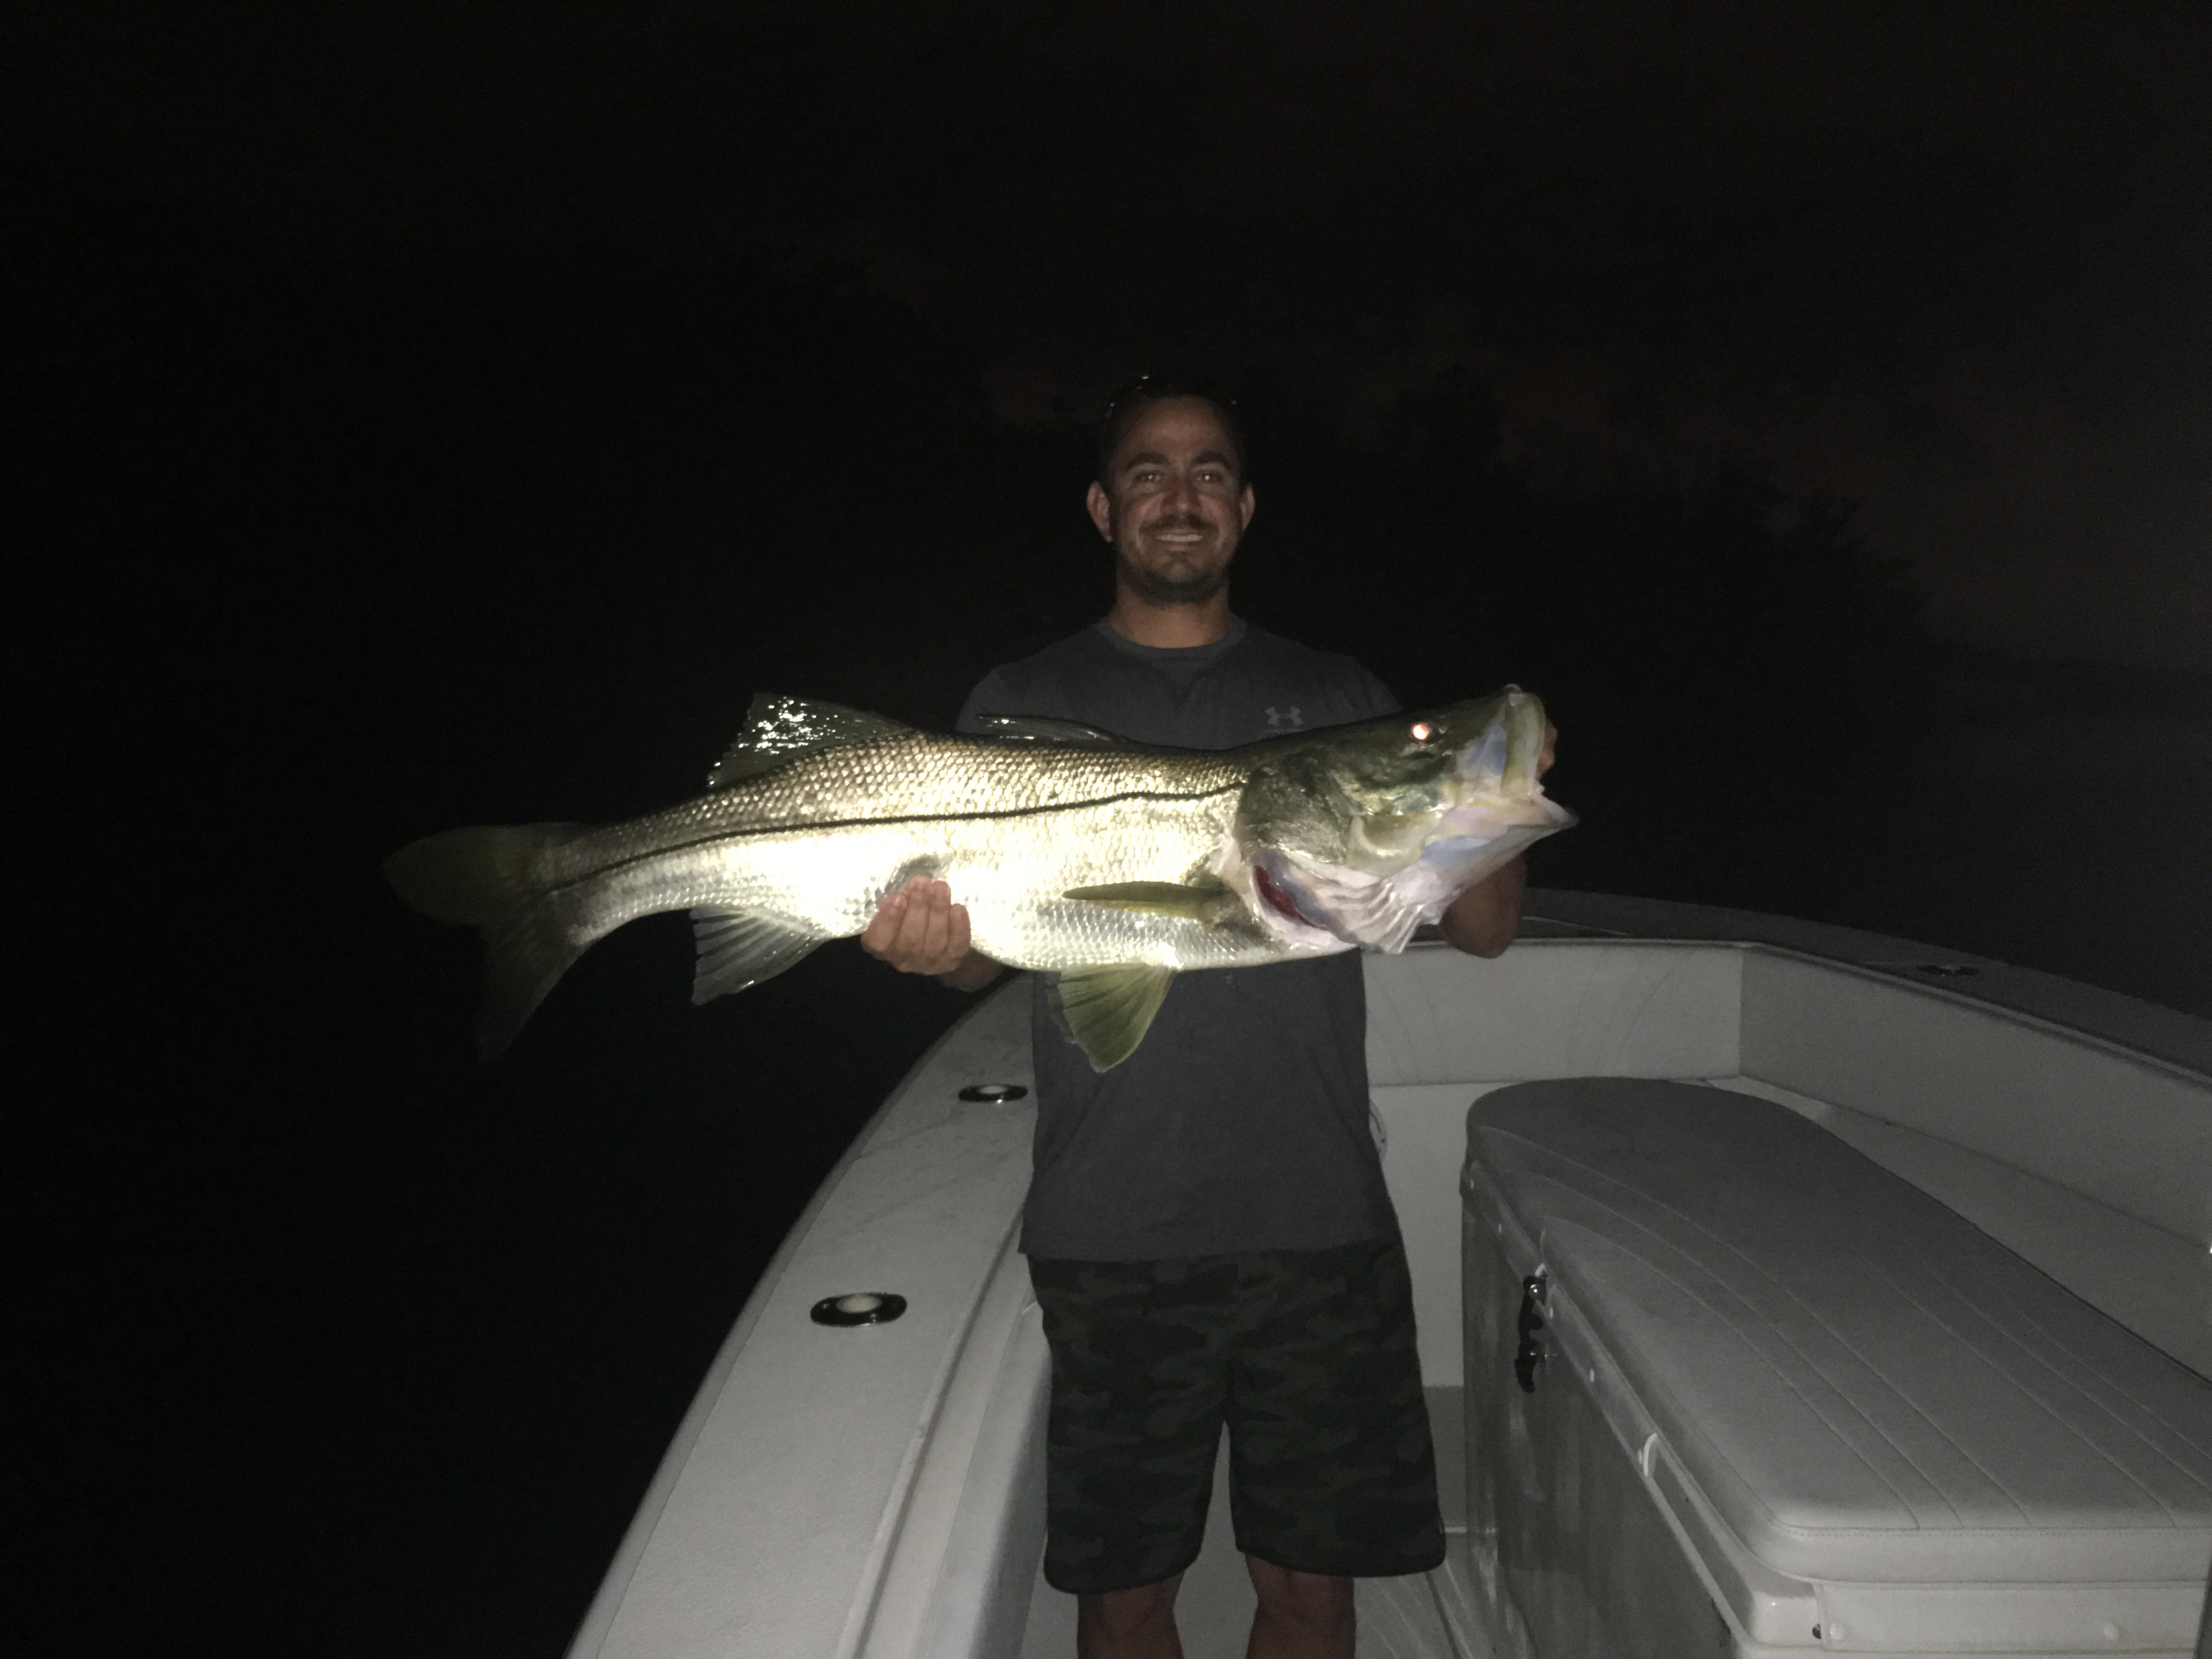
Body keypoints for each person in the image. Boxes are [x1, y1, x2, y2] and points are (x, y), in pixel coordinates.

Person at [861, 380, 1548, 1659]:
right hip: (1112, 1221)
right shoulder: (1022, 694)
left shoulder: (1333, 689)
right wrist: (931, 950)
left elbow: (1487, 925)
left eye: (1211, 472)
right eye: (1149, 472)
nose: (1181, 496)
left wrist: (1482, 794)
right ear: (1102, 507)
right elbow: (976, 965)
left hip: (1317, 1218)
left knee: (1311, 1587)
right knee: (1123, 1597)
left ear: (1245, 508)